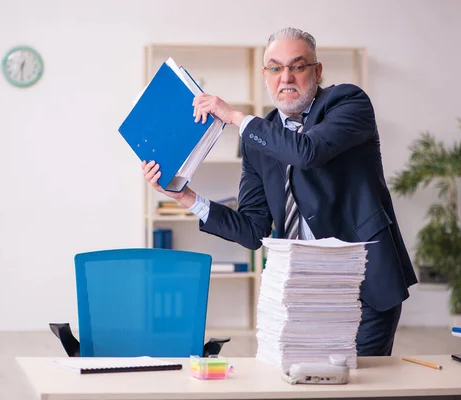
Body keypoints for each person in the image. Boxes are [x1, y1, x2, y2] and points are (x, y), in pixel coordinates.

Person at [142, 27, 418, 356]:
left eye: (297, 66)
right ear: (265, 76)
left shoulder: (348, 102)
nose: (285, 77)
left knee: (358, 388)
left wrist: (235, 117)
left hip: (363, 289)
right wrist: (188, 198)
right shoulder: (257, 141)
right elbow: (253, 230)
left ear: (317, 71)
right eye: (275, 68)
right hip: (300, 293)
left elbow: (307, 152)